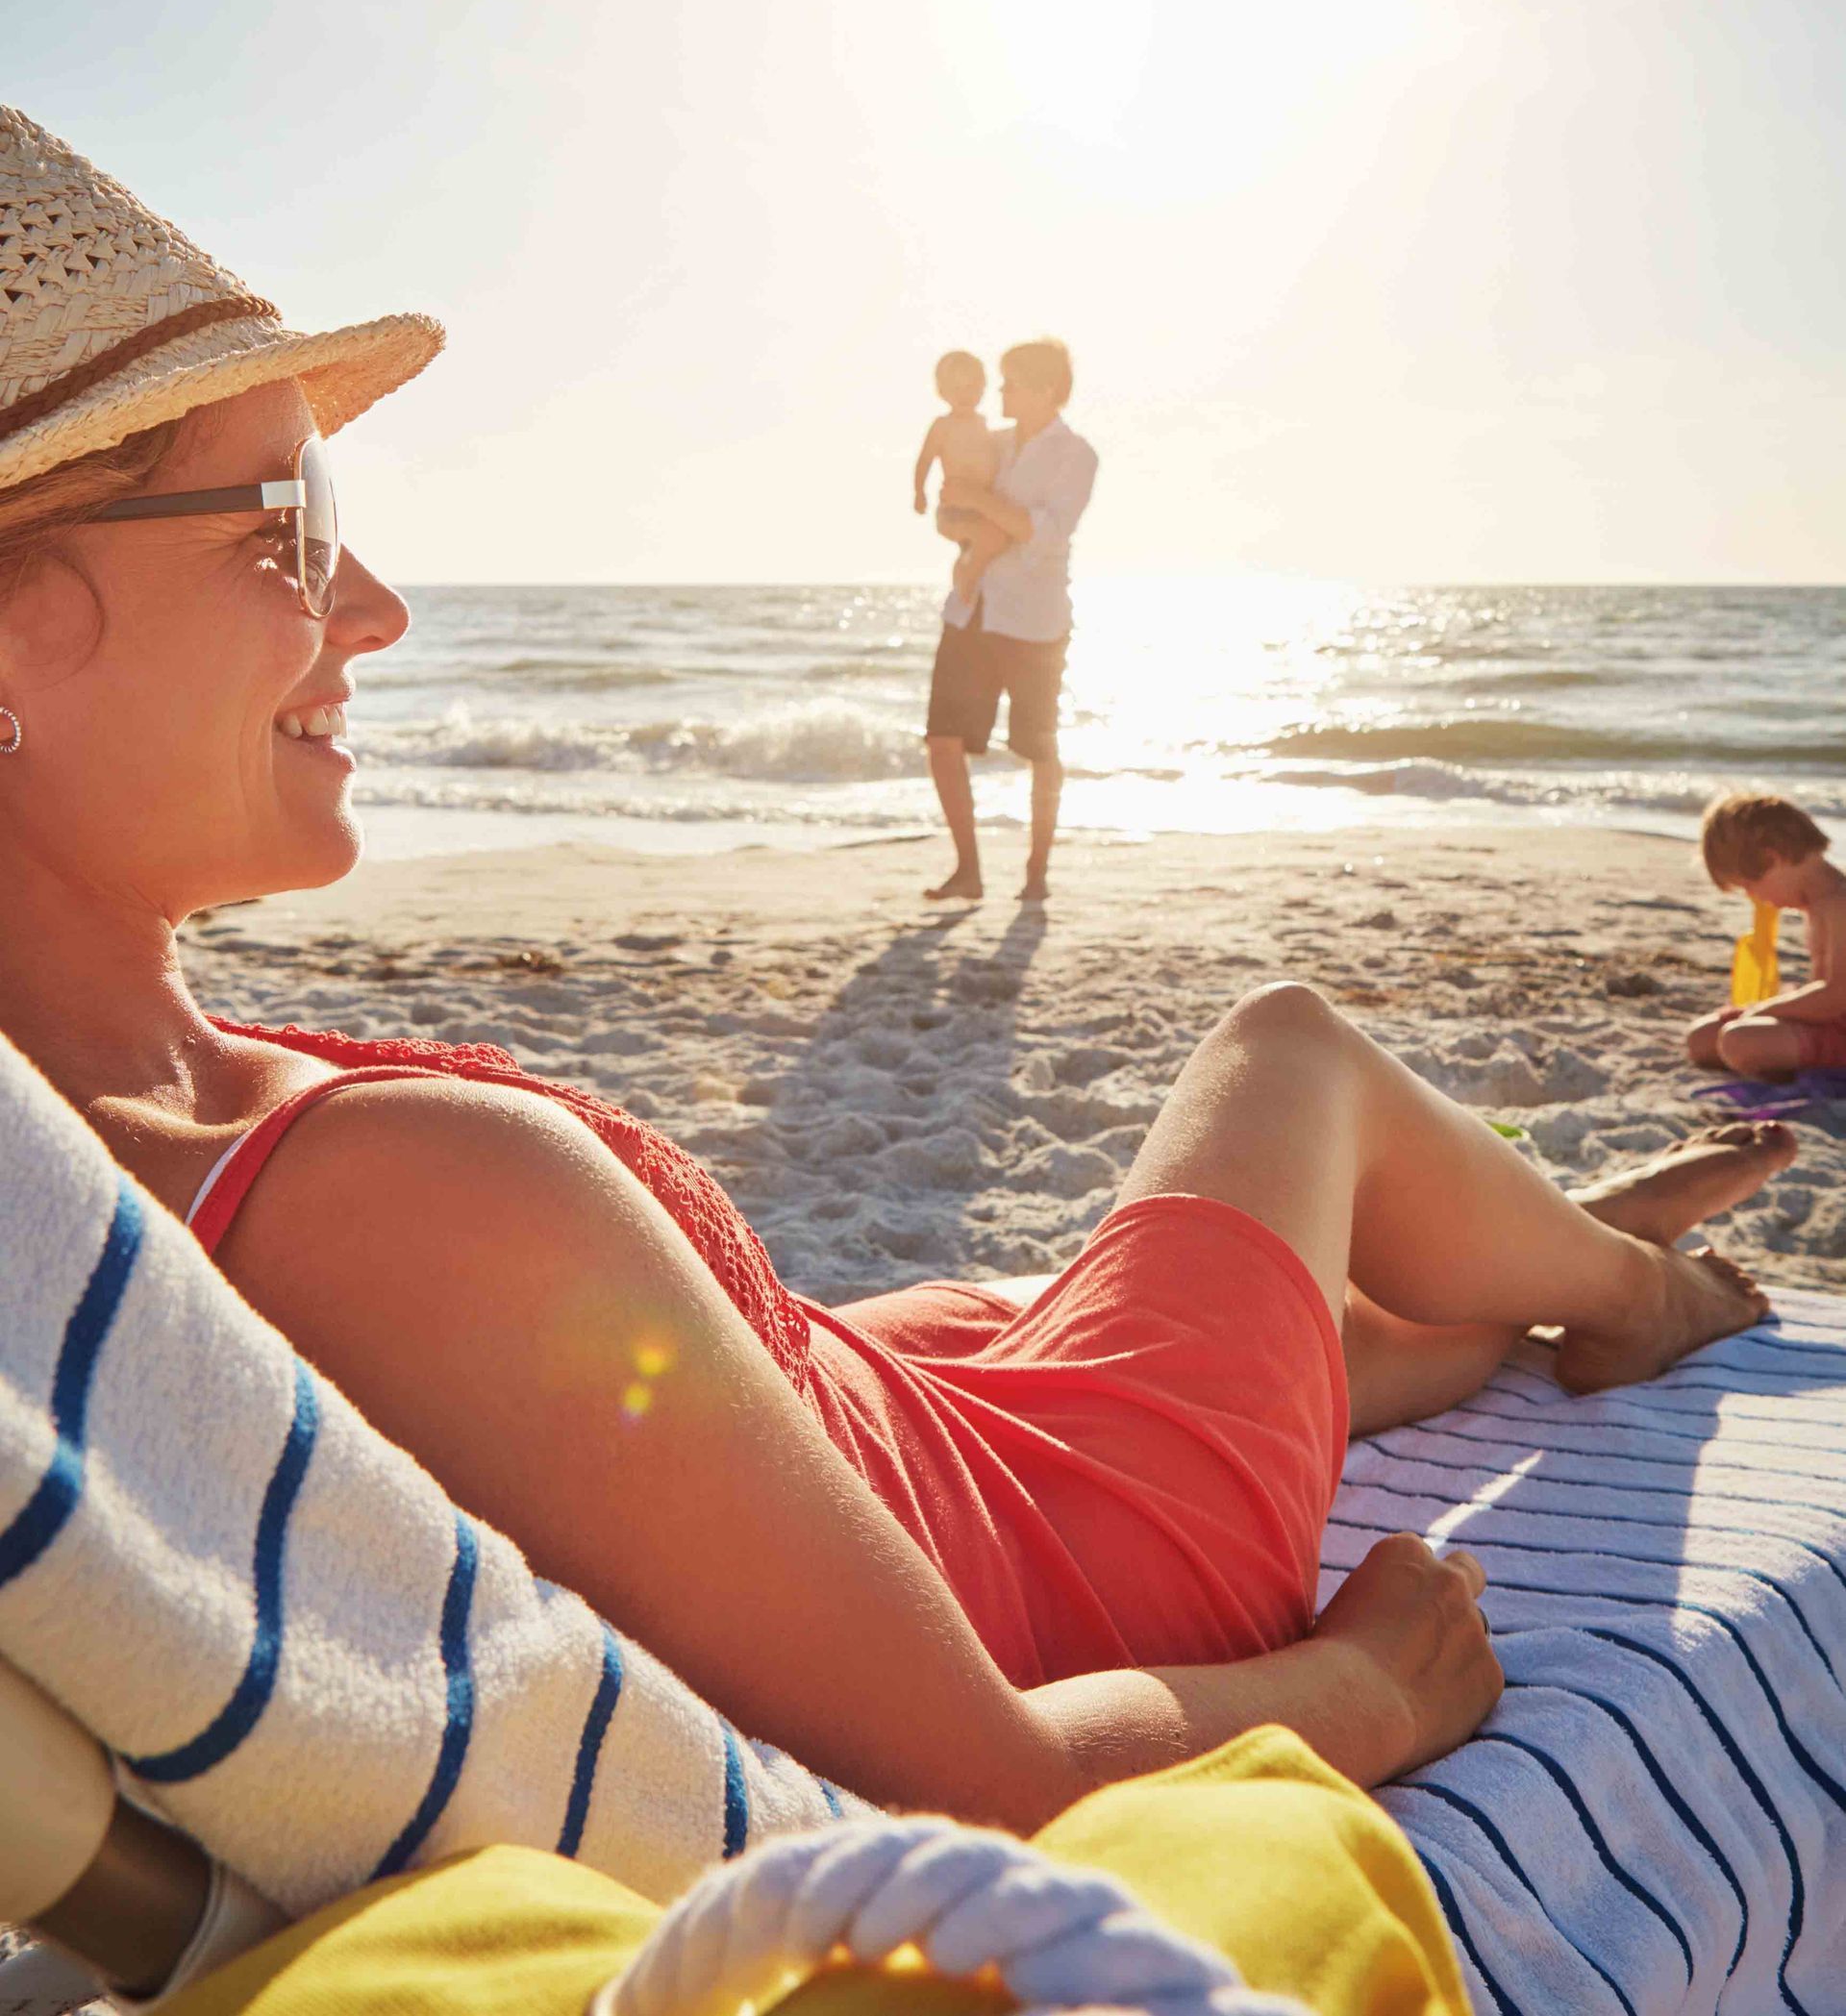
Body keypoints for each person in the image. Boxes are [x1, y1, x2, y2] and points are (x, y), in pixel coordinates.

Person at [0, 109, 1790, 1845]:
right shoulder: (401, 1204)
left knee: (1053, 1292)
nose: (374, 604)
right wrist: (1374, 1688)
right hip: (1052, 1533)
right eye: (285, 525)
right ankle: (1624, 1292)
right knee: (1291, 1051)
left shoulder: (87, 1164)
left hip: (855, 1405)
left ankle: (1499, 1269)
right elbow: (981, 1794)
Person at [922, 337, 1097, 907]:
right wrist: (970, 528)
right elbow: (952, 505)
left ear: (1045, 389)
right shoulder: (989, 443)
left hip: (1035, 622)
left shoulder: (1076, 455)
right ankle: (967, 871)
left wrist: (985, 511)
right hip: (971, 611)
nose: (1000, 391)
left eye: (1011, 382)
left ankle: (1036, 873)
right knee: (943, 740)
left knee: (1037, 748)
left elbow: (1046, 534)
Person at [1685, 790, 1846, 1075]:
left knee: (1740, 1041)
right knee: (1701, 1038)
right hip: (1827, 1020)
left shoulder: (1839, 904)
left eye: (1749, 885)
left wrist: (1761, 1012)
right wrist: (1764, 1009)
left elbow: (1837, 996)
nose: (1755, 898)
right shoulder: (1816, 904)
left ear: (1773, 859)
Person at [911, 348, 1007, 603]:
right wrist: (919, 492)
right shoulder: (943, 426)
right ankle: (963, 593)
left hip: (982, 505)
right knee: (981, 542)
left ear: (983, 388)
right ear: (942, 392)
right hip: (954, 509)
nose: (965, 394)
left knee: (984, 547)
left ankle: (975, 593)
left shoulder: (984, 425)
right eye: (957, 388)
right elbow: (925, 460)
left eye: (972, 387)